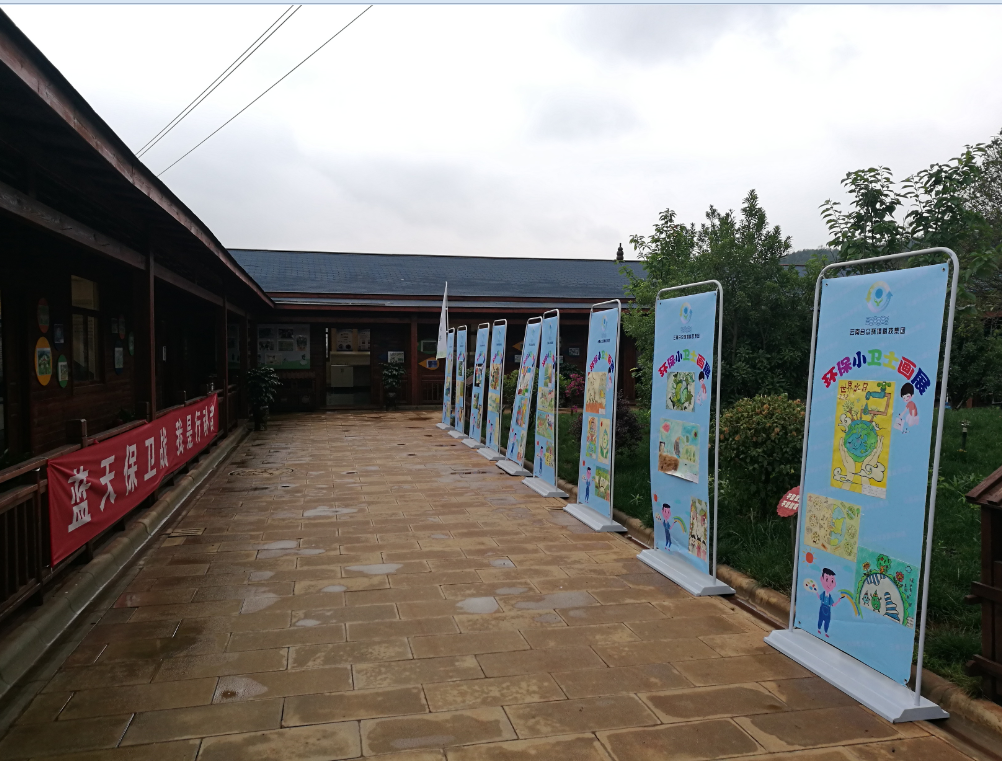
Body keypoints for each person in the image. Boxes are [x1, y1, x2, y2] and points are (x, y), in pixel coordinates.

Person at [816, 568, 842, 638]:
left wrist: (838, 601)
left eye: (832, 581)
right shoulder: (823, 594)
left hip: (828, 610)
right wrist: (816, 592)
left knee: (827, 622)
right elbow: (819, 597)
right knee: (820, 619)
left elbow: (833, 604)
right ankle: (819, 629)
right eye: (827, 579)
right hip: (822, 609)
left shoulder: (830, 597)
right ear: (821, 579)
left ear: (835, 584)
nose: (829, 584)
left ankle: (826, 632)